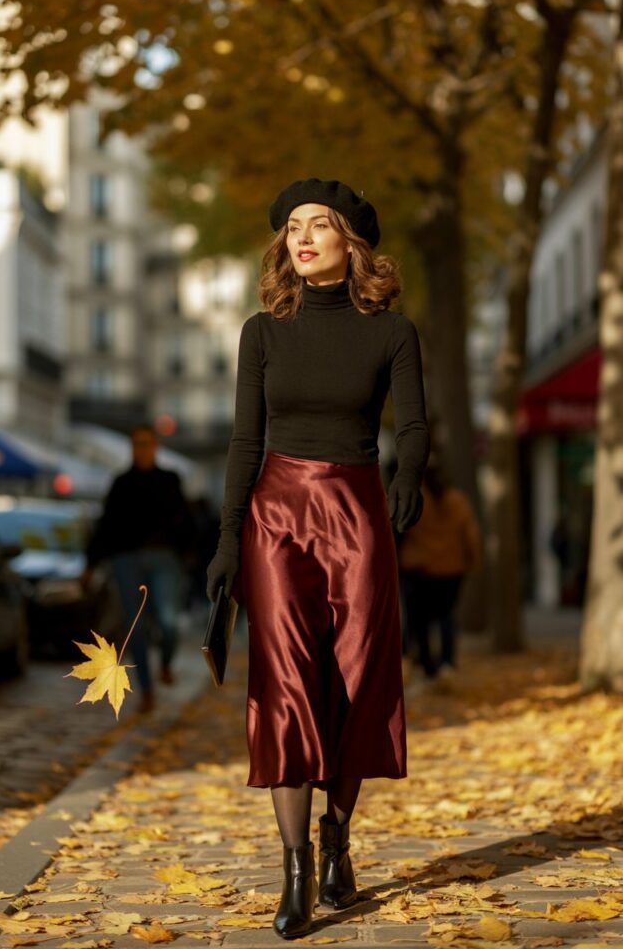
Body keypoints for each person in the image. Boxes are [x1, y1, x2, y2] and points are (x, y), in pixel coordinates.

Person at [206, 178, 430, 940]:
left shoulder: (392, 332)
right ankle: (296, 868)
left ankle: (338, 838)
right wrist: (229, 539)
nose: (301, 237)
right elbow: (244, 440)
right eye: (293, 227)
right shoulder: (262, 333)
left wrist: (408, 477)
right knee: (287, 683)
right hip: (276, 516)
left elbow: (415, 424)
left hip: (357, 512)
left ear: (350, 242)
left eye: (319, 225)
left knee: (357, 680)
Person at [83, 424, 195, 713]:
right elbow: (106, 524)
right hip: (127, 559)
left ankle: (166, 663)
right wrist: (91, 563)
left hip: (164, 558)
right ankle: (146, 690)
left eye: (146, 443)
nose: (141, 450)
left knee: (169, 623)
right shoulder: (121, 483)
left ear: (155, 447)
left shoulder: (169, 480)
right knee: (136, 627)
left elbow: (185, 519)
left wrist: (189, 554)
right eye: (136, 444)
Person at [398, 458, 482, 685]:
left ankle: (426, 664)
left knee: (421, 619)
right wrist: (472, 561)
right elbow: (471, 534)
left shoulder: (415, 499)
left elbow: (401, 531)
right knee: (446, 615)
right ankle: (447, 661)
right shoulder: (458, 501)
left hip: (420, 569)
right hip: (451, 569)